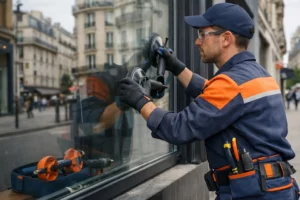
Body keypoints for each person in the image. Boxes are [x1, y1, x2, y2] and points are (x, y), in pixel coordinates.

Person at [119, 3, 299, 200]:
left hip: (254, 193)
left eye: (203, 34)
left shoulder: (231, 83)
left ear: (226, 38)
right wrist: (177, 67)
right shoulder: (257, 75)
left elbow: (178, 128)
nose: (197, 42)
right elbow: (215, 96)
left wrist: (139, 100)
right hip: (273, 187)